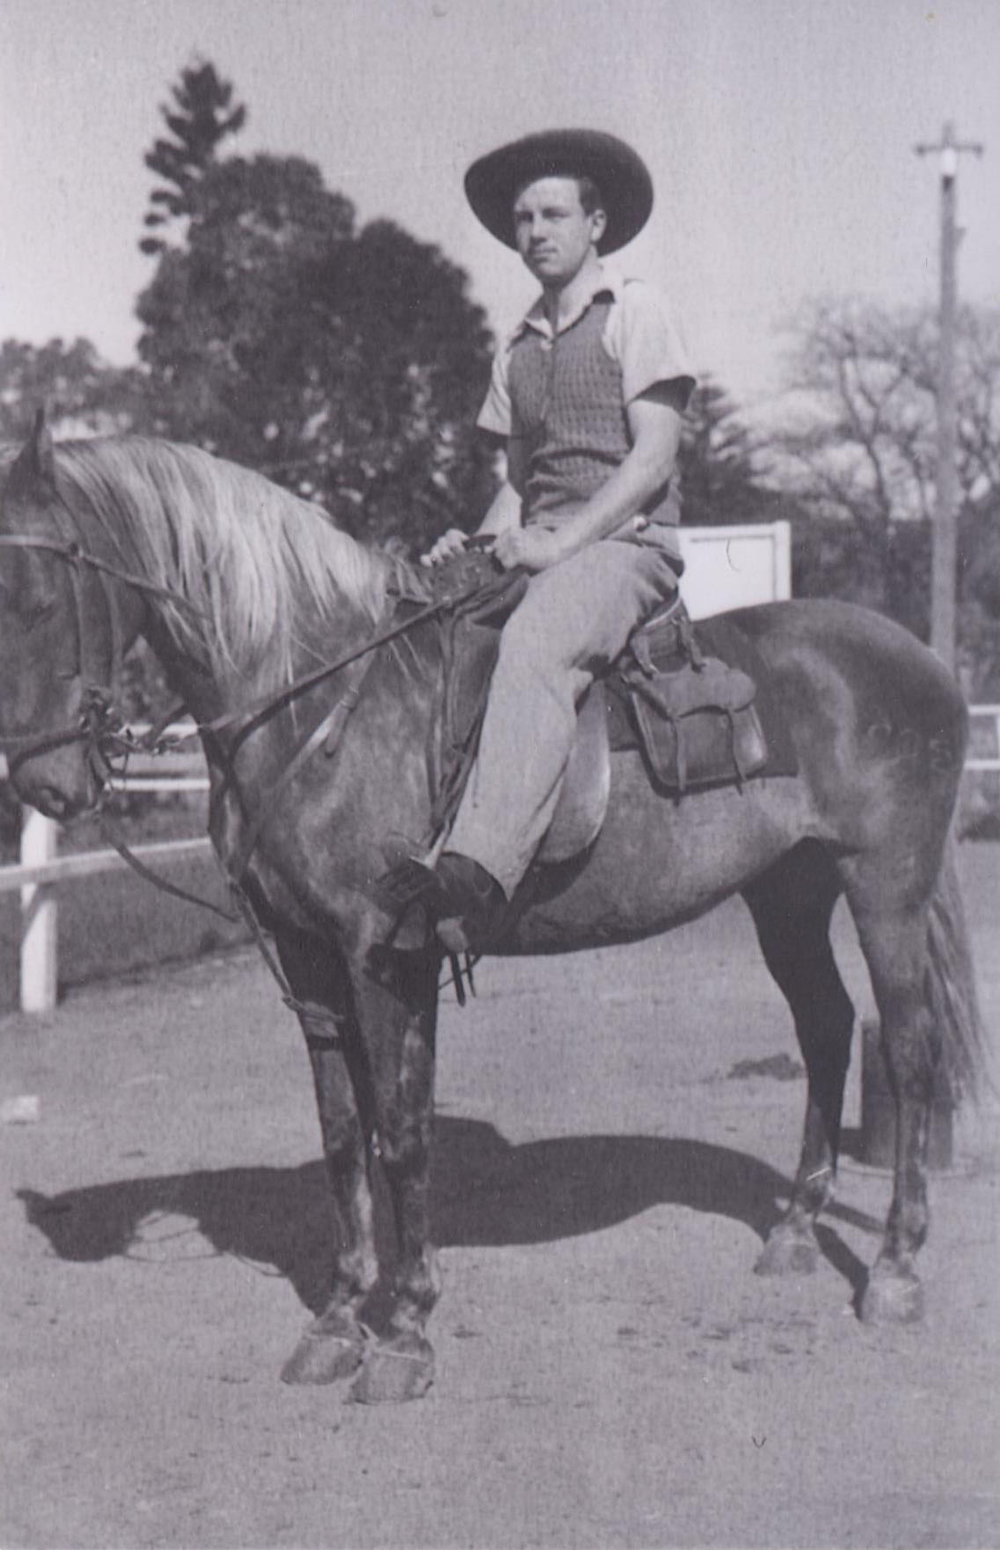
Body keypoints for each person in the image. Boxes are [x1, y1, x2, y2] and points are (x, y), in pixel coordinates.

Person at [381, 128, 695, 952]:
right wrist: (473, 548)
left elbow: (653, 459)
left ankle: (479, 872)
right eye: (523, 219)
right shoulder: (517, 348)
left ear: (596, 223)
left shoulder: (636, 311)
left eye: (553, 214)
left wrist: (557, 548)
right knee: (426, 628)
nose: (535, 232)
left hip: (629, 546)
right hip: (547, 544)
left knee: (536, 639)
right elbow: (520, 485)